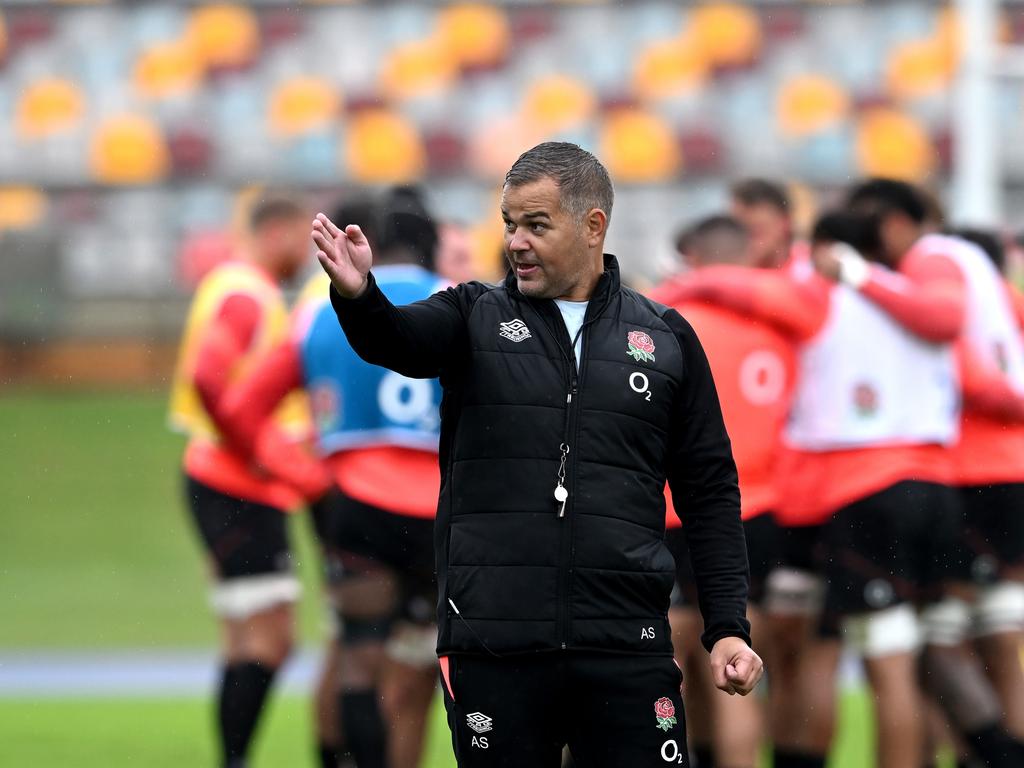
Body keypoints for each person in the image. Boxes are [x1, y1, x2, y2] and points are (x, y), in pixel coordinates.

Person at [314, 141, 762, 767]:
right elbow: (399, 342)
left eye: (535, 224)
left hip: (626, 643)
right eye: (509, 224)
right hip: (495, 644)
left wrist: (726, 627)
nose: (516, 241)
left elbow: (709, 491)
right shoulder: (473, 313)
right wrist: (361, 295)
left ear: (592, 226)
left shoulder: (665, 337)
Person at [223, 188, 447, 768]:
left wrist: (305, 476)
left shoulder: (320, 314)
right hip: (443, 514)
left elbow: (242, 409)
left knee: (357, 660)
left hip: (358, 507)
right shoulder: (460, 302)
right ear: (435, 244)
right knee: (437, 666)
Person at [167, 194, 313, 768]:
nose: (306, 251)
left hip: (222, 482)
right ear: (276, 232)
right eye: (301, 236)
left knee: (245, 640)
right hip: (236, 487)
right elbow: (206, 374)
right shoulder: (248, 295)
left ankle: (232, 759)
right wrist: (255, 445)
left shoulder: (233, 286)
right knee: (271, 640)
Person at [652, 215, 794, 768]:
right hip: (753, 510)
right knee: (736, 661)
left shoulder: (662, 318)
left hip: (670, 509)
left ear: (693, 257)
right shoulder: (781, 323)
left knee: (670, 667)